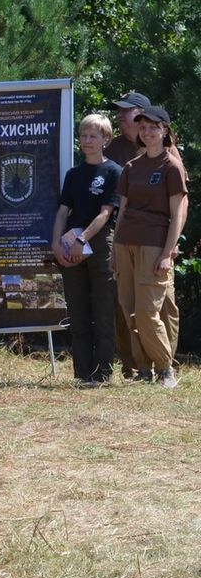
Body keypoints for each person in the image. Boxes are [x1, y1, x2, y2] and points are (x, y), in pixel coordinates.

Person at [113, 105, 186, 388]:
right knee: (128, 308)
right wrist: (113, 252)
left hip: (155, 244)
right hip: (124, 244)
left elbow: (178, 213)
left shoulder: (172, 166)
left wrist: (168, 253)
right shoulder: (131, 167)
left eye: (154, 127)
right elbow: (122, 211)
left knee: (147, 311)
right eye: (143, 127)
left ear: (165, 130)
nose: (147, 132)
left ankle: (165, 368)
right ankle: (144, 368)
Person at [51, 113, 123, 386]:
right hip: (71, 245)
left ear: (106, 138)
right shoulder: (73, 174)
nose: (88, 141)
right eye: (83, 136)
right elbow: (62, 211)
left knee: (103, 311)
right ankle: (82, 375)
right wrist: (57, 242)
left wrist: (84, 240)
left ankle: (102, 374)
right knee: (78, 312)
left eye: (94, 136)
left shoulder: (113, 171)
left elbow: (106, 213)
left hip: (100, 242)